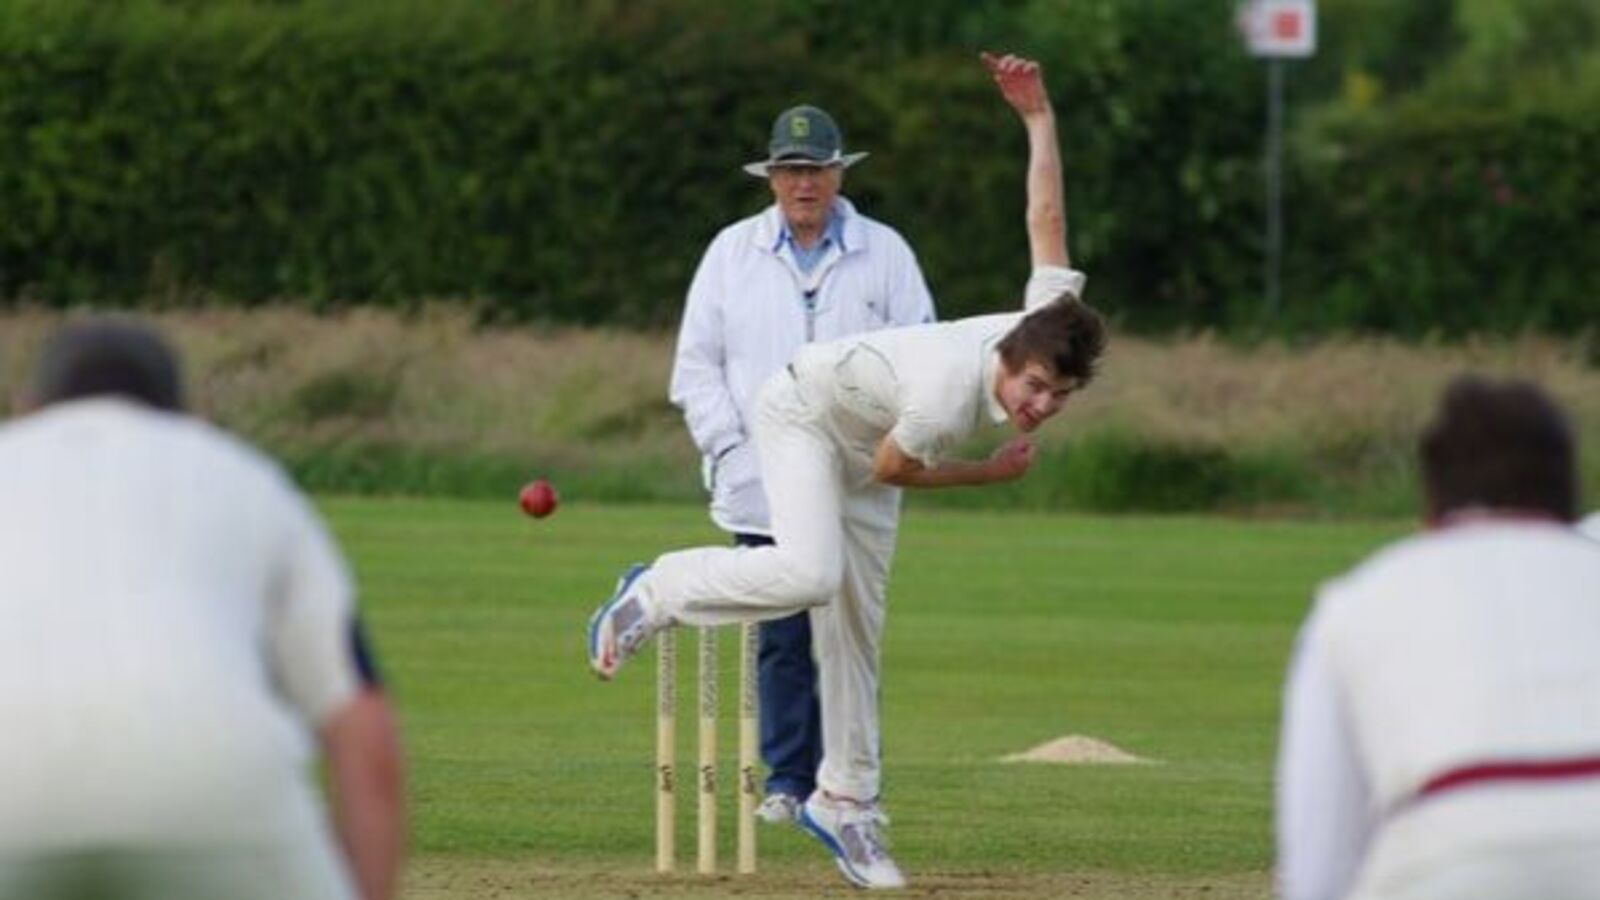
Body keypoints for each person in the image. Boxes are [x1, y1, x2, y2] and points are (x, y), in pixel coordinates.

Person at [588, 53, 1106, 889]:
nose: (1040, 404)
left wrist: (1038, 120)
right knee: (810, 574)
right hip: (803, 414)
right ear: (1009, 357)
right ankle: (656, 590)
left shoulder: (1043, 319)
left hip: (872, 434)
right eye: (1034, 387)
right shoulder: (944, 401)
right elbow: (892, 467)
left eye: (1058, 396)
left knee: (856, 633)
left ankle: (848, 803)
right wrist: (991, 473)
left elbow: (1045, 217)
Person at [0, 321, 406, 900]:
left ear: (30, 405)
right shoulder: (248, 479)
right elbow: (363, 723)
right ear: (182, 412)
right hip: (218, 787)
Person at [670, 98, 936, 824]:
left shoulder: (886, 252)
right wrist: (730, 444)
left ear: (838, 173)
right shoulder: (731, 253)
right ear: (771, 180)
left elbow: (923, 352)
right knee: (781, 633)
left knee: (848, 633)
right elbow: (694, 368)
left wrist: (891, 441)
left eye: (815, 169)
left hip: (857, 475)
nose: (803, 184)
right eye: (790, 171)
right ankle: (788, 780)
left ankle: (845, 786)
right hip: (762, 476)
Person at [1276, 376, 1600, 900]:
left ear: (1430, 499)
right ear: (1569, 492)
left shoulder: (1357, 600)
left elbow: (1321, 862)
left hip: (1453, 856)